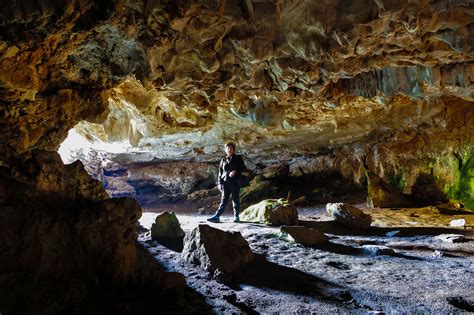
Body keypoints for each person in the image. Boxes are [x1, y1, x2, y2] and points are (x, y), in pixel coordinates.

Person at [207, 142, 246, 223]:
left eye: (231, 148)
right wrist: (219, 183)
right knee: (224, 200)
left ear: (234, 149)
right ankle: (217, 216)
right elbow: (220, 172)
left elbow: (243, 168)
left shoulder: (238, 158)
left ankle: (236, 216)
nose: (229, 150)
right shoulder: (223, 160)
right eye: (227, 148)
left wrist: (235, 171)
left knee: (235, 199)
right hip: (225, 182)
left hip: (235, 182)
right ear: (225, 150)